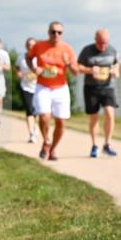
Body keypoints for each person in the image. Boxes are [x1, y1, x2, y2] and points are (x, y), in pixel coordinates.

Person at [27, 21, 83, 161]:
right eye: (53, 32)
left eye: (59, 32)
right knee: (44, 116)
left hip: (61, 88)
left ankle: (52, 149)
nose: (56, 34)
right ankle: (46, 141)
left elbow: (76, 72)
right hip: (43, 86)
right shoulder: (39, 46)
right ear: (48, 32)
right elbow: (29, 57)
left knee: (61, 122)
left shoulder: (67, 49)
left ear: (62, 34)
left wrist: (68, 63)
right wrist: (34, 68)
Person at [77, 28, 121, 157]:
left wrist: (115, 71)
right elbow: (78, 67)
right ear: (95, 39)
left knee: (110, 113)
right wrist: (90, 70)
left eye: (105, 43)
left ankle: (107, 144)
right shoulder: (87, 51)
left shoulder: (111, 50)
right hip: (91, 87)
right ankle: (95, 145)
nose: (103, 46)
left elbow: (116, 63)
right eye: (101, 43)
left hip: (108, 87)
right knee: (94, 116)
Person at [16, 38, 39, 142]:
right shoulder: (21, 57)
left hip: (38, 87)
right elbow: (17, 69)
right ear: (26, 46)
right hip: (26, 87)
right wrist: (20, 75)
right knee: (29, 110)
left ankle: (36, 127)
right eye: (29, 45)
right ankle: (31, 133)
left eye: (33, 45)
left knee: (37, 111)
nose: (31, 46)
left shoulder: (39, 57)